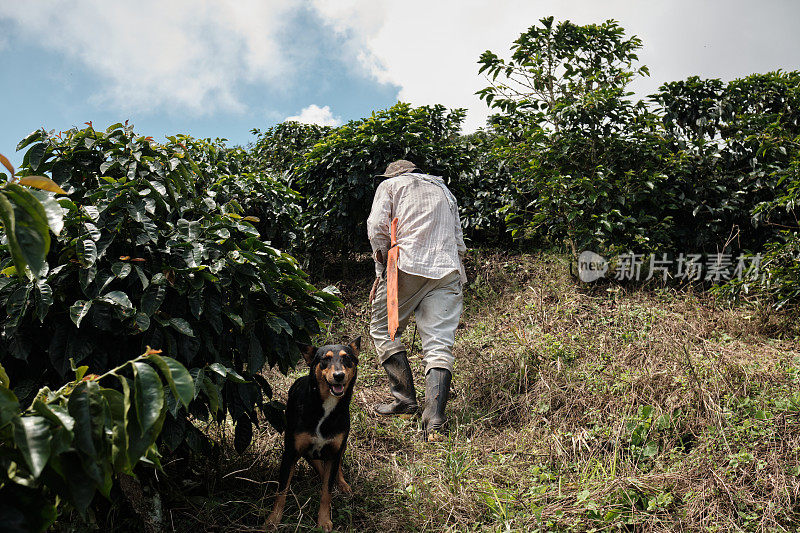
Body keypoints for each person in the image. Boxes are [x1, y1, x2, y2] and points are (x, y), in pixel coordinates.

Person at [367, 159, 466, 440]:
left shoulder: (390, 185)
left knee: (383, 330)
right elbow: (458, 238)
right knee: (439, 342)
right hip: (447, 269)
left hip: (407, 264)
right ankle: (435, 419)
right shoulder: (444, 189)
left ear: (393, 174)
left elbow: (377, 228)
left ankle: (405, 401)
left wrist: (381, 267)